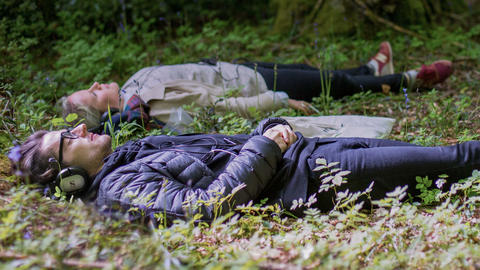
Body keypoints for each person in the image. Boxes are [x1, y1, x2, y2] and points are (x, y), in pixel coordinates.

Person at [10, 117, 480, 222]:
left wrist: (266, 132)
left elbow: (218, 153)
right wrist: (265, 143)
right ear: (69, 178)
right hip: (310, 177)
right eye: (66, 141)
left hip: (304, 154)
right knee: (457, 160)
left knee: (450, 158)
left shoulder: (126, 156)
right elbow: (207, 204)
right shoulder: (120, 187)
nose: (77, 129)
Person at [59, 42, 453, 130]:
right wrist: (279, 100)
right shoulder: (149, 108)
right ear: (106, 111)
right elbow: (219, 107)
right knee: (334, 85)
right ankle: (408, 80)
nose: (96, 83)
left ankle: (369, 67)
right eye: (93, 93)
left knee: (314, 71)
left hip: (241, 69)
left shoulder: (131, 85)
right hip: (255, 85)